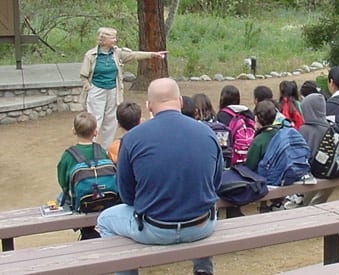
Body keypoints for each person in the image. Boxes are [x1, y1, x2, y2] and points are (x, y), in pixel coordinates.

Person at [96, 78, 222, 275]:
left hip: (155, 228)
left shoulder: (131, 139)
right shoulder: (207, 133)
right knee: (202, 200)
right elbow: (215, 183)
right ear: (180, 101)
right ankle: (203, 270)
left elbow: (127, 195)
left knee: (105, 219)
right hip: (201, 225)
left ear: (148, 106)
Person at [79, 27, 167, 149]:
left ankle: (106, 149)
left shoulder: (117, 53)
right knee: (95, 119)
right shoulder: (91, 55)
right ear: (103, 40)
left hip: (113, 90)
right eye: (112, 38)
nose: (115, 40)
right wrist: (88, 87)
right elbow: (83, 75)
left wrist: (152, 55)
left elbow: (134, 55)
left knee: (111, 120)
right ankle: (90, 146)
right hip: (97, 89)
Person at [56, 112, 104, 240]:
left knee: (60, 198)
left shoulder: (68, 155)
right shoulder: (101, 150)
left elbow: (63, 181)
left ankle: (85, 230)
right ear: (95, 132)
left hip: (80, 200)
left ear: (74, 131)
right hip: (102, 196)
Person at [246, 100, 284, 211]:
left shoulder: (259, 140)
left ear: (257, 118)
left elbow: (250, 165)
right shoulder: (281, 132)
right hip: (282, 175)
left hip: (265, 180)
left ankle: (263, 206)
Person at [298, 94, 334, 205]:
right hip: (329, 172)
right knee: (320, 200)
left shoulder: (304, 129)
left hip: (311, 174)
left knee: (304, 202)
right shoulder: (330, 126)